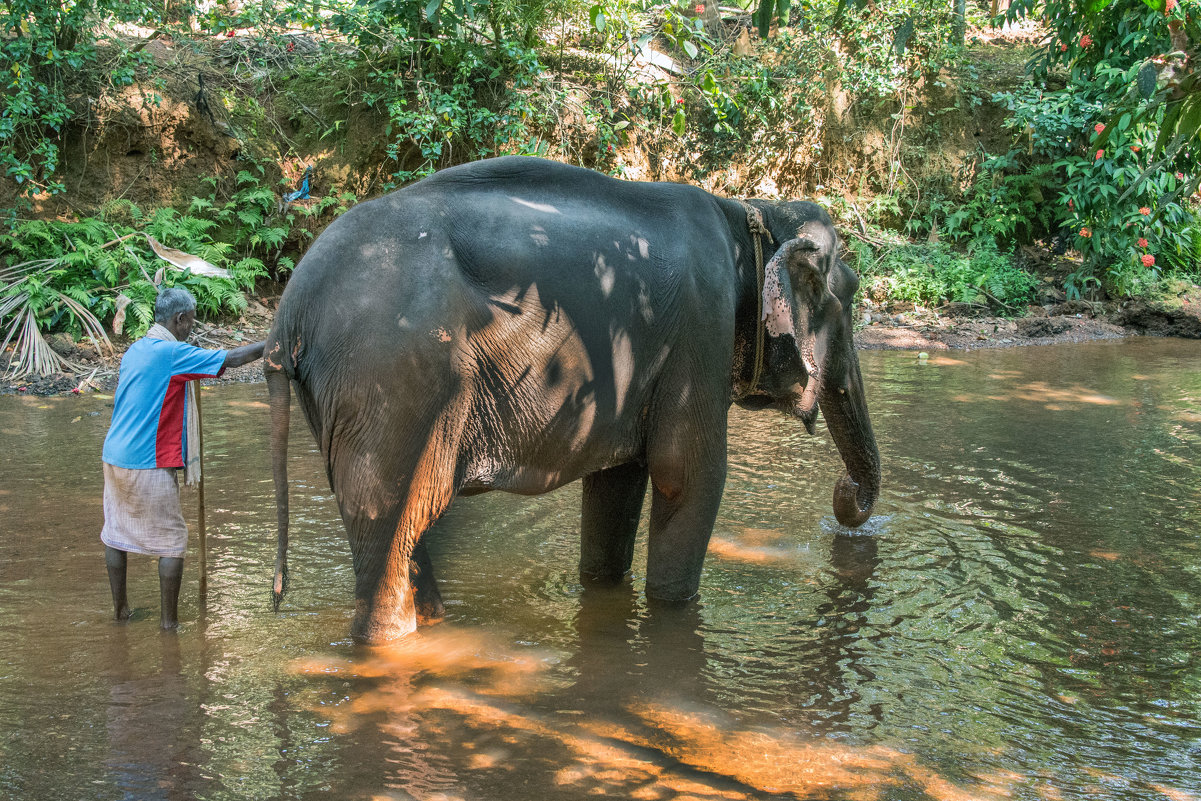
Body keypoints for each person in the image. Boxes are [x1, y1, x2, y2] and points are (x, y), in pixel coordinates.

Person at [101, 288, 265, 629]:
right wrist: (271, 343)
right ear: (179, 319)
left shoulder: (136, 349)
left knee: (116, 532)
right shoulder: (172, 353)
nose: (192, 327)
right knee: (172, 542)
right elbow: (230, 359)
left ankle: (120, 612)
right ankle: (168, 625)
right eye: (190, 320)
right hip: (148, 460)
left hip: (114, 455)